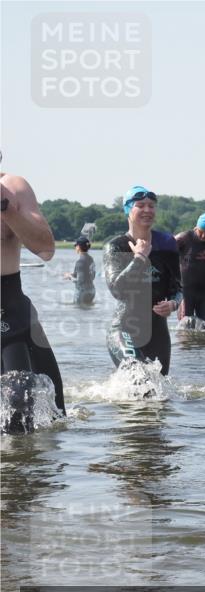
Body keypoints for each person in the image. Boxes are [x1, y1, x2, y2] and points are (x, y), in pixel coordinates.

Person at [1, 156, 66, 430]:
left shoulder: (13, 187)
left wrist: (6, 208)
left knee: (49, 414)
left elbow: (46, 250)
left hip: (10, 307)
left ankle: (23, 472)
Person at [103, 185, 182, 375]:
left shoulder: (166, 243)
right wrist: (139, 259)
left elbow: (178, 287)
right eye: (140, 205)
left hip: (158, 332)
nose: (147, 210)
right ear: (128, 210)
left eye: (151, 205)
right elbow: (117, 290)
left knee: (159, 391)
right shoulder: (116, 246)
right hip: (124, 329)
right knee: (139, 374)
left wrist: (173, 304)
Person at [64, 236, 96, 305]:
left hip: (82, 292)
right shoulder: (91, 259)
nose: (75, 248)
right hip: (92, 291)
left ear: (78, 247)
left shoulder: (80, 262)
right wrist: (72, 274)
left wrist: (69, 277)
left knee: (79, 312)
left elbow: (80, 281)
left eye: (75, 246)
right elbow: (91, 276)